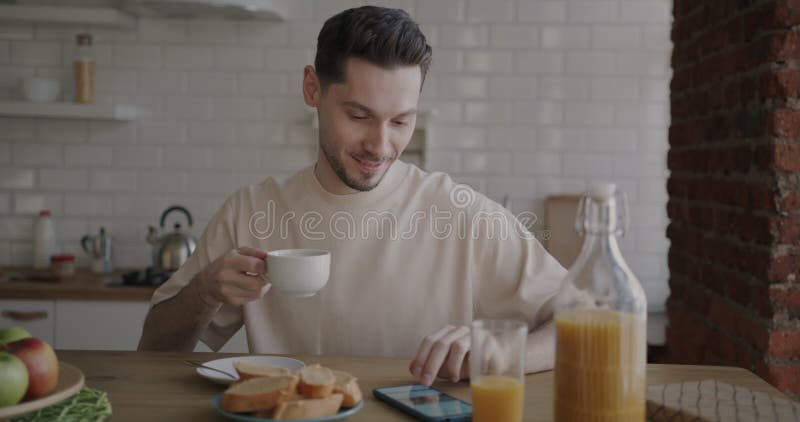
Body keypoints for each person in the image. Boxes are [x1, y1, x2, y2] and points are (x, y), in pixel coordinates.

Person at [138, 5, 566, 387]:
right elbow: (151, 353)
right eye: (359, 116)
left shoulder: (460, 214)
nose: (380, 145)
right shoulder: (252, 212)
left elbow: (586, 320)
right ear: (312, 89)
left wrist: (502, 354)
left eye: (401, 121)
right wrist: (204, 293)